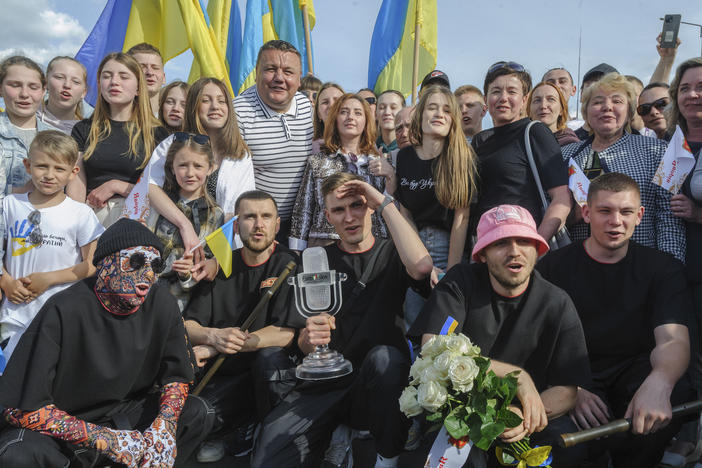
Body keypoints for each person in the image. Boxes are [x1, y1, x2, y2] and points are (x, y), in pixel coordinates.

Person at [251, 173, 433, 468]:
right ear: (327, 216)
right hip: (323, 387)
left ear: (370, 208)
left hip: (375, 386)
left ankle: (386, 459)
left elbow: (423, 267)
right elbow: (300, 339)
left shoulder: (392, 253)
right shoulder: (314, 259)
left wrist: (383, 201)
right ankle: (334, 435)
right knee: (267, 462)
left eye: (357, 205)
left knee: (387, 359)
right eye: (339, 209)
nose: (349, 217)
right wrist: (307, 341)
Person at [0, 218, 213, 468]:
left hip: (125, 416)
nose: (146, 275)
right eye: (134, 263)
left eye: (155, 265)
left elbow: (176, 377)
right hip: (67, 427)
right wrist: (104, 439)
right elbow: (17, 409)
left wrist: (163, 427)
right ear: (105, 264)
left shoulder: (161, 303)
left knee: (199, 411)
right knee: (18, 452)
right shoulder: (65, 309)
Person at [410, 204, 591, 467]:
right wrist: (517, 378)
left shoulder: (556, 302)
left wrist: (519, 415)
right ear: (482, 254)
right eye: (501, 243)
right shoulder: (461, 283)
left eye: (524, 241)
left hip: (522, 419)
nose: (515, 251)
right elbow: (435, 346)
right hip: (461, 412)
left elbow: (568, 389)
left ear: (538, 250)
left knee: (572, 451)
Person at [537, 173, 693, 468]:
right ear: (586, 213)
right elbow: (538, 340)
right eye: (605, 211)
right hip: (574, 375)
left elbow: (673, 338)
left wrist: (659, 382)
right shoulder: (553, 267)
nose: (615, 221)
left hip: (634, 375)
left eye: (626, 212)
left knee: (676, 390)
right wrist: (571, 389)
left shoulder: (662, 268)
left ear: (639, 216)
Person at [184, 190, 300, 462]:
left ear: (277, 224)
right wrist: (211, 335)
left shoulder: (289, 263)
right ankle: (223, 429)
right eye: (250, 217)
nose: (259, 225)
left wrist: (217, 347)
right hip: (220, 373)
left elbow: (285, 332)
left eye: (266, 217)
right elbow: (188, 324)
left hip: (264, 371)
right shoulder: (221, 265)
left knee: (268, 359)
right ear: (236, 226)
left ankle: (260, 426)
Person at [0, 130, 103, 359]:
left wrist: (48, 279)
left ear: (73, 172)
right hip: (13, 316)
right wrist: (6, 282)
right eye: (41, 166)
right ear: (27, 165)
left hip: (59, 316)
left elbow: (92, 265)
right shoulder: (9, 205)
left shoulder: (81, 213)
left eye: (59, 169)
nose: (49, 175)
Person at [561, 72, 686, 262]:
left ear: (629, 112)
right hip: (579, 266)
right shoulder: (565, 155)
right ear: (586, 113)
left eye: (617, 101)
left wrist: (672, 267)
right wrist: (572, 215)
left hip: (643, 266)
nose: (607, 107)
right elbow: (549, 211)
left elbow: (670, 218)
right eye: (597, 102)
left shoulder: (660, 151)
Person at [147, 77, 255, 282]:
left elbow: (239, 211)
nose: (215, 106)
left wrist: (216, 260)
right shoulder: (173, 143)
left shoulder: (240, 155)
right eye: (206, 100)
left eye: (221, 101)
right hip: (170, 246)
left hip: (217, 254)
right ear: (194, 106)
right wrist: (184, 225)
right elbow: (151, 187)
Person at [395, 85, 477, 329]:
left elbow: (462, 217)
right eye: (432, 108)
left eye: (446, 110)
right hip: (412, 247)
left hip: (449, 247)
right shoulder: (404, 157)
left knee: (446, 328)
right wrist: (418, 258)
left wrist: (450, 272)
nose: (439, 114)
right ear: (419, 116)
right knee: (413, 324)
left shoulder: (462, 157)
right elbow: (405, 212)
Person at [472, 61, 571, 242]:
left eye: (512, 92)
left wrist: (536, 245)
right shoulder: (480, 140)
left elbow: (561, 199)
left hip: (523, 243)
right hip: (483, 244)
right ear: (486, 99)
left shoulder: (534, 131)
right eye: (496, 91)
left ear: (524, 100)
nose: (503, 98)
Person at [68, 52, 168, 227]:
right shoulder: (83, 129)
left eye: (124, 76)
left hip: (140, 219)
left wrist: (118, 186)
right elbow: (76, 181)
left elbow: (165, 190)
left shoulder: (158, 134)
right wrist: (76, 223)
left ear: (138, 87)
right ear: (99, 85)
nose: (114, 81)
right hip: (92, 218)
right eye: (107, 76)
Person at [234, 40, 313, 244]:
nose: (279, 78)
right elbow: (231, 183)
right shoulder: (238, 113)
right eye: (270, 69)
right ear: (257, 73)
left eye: (288, 72)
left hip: (300, 226)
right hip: (258, 229)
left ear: (299, 79)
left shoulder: (306, 106)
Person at [290, 93, 388, 250]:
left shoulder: (379, 163)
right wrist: (296, 251)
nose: (350, 117)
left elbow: (387, 209)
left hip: (370, 245)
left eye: (358, 112)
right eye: (344, 112)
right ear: (335, 119)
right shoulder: (317, 161)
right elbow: (303, 210)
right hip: (324, 244)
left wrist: (390, 177)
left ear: (366, 121)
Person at [666, 57, 702, 467]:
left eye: (701, 86)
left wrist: (698, 214)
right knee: (692, 356)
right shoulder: (673, 143)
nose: (693, 95)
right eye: (686, 87)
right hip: (682, 267)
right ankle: (691, 436)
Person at [147, 133, 223, 311]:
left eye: (198, 166)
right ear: (172, 168)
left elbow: (209, 268)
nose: (190, 173)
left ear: (210, 168)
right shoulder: (159, 203)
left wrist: (186, 273)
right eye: (182, 165)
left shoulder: (216, 214)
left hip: (178, 304)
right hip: (143, 294)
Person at [0, 55, 57, 195]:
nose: (24, 94)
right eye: (15, 85)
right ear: (0, 88)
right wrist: (19, 192)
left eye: (33, 87)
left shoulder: (56, 137)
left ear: (43, 91)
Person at [37, 56, 87, 134]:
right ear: (46, 83)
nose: (67, 85)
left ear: (84, 92)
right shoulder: (25, 120)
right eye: (59, 77)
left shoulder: (89, 134)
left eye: (76, 82)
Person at [574, 63, 620, 140]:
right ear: (581, 94)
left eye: (606, 86)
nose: (596, 91)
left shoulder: (636, 142)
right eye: (590, 86)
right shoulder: (568, 142)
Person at [527, 81, 580, 146]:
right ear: (529, 109)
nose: (543, 106)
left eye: (551, 99)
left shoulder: (571, 145)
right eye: (537, 100)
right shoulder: (520, 141)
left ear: (561, 109)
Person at [127, 42, 166, 116]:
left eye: (155, 68)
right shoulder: (111, 120)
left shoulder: (180, 122)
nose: (150, 72)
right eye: (142, 67)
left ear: (164, 77)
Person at [311, 82, 345, 154]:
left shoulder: (365, 142)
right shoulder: (309, 148)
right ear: (319, 114)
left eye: (337, 100)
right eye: (325, 102)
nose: (331, 105)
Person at [376, 89, 405, 154]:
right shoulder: (369, 149)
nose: (387, 112)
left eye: (393, 107)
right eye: (382, 107)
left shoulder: (413, 149)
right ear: (376, 114)